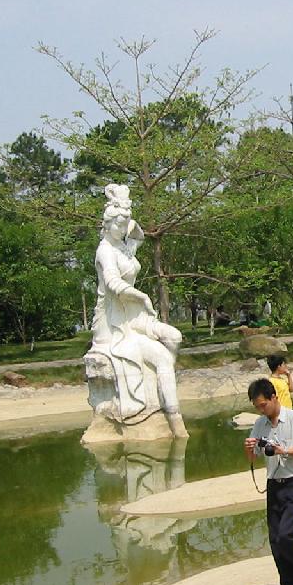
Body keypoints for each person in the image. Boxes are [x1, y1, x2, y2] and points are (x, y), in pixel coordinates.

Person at [89, 183, 187, 437]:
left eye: (124, 225)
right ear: (107, 224)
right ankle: (174, 419)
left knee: (174, 337)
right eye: (118, 225)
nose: (123, 230)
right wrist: (142, 296)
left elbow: (139, 236)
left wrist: (127, 219)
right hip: (115, 321)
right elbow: (113, 283)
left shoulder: (123, 246)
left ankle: (162, 387)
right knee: (162, 358)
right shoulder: (105, 251)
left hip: (135, 314)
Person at [244, 378, 293, 585]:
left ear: (274, 397)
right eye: (257, 407)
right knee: (276, 539)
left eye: (263, 405)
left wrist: (284, 451)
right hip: (274, 485)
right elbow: (253, 457)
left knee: (287, 533)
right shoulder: (260, 424)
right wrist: (249, 448)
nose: (261, 410)